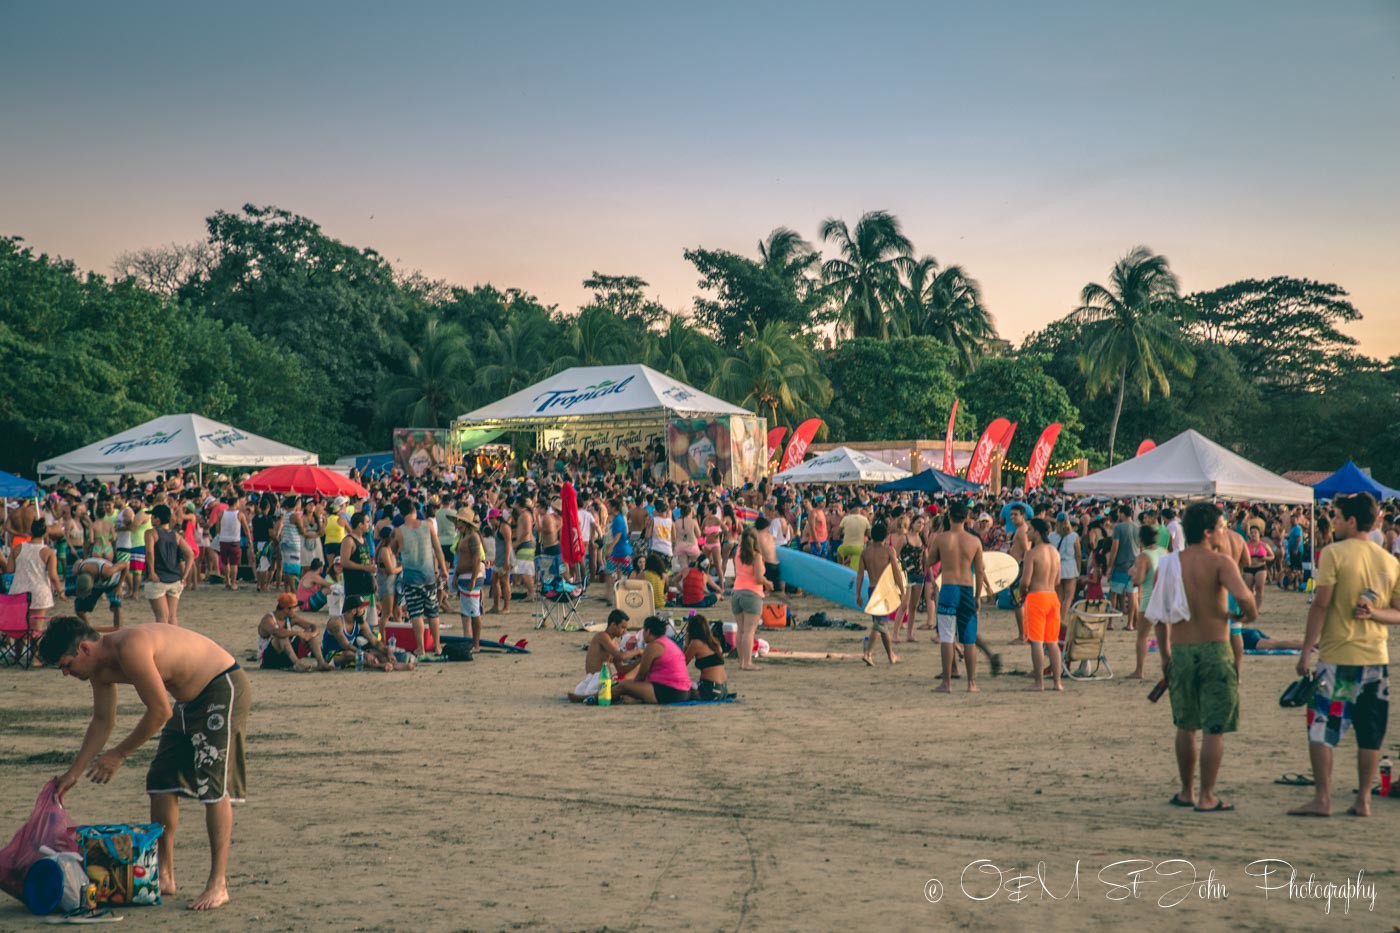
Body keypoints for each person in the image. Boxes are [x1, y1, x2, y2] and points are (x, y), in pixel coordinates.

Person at [40, 617, 251, 910]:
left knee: (211, 786)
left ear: (85, 649)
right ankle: (164, 874)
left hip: (220, 685)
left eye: (66, 664)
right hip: (188, 699)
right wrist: (73, 774)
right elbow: (103, 721)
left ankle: (218, 883)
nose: (65, 673)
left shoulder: (130, 648)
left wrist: (119, 754)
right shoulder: (98, 669)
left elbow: (159, 711)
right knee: (162, 780)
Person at [1290, 492, 1399, 818]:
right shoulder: (1390, 561)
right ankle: (1363, 800)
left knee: (1323, 726)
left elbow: (1321, 604)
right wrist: (1375, 614)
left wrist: (1306, 650)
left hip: (1339, 658)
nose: (1333, 522)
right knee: (1370, 731)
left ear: (1352, 521)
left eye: (1337, 517)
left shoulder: (1334, 554)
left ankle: (1323, 798)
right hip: (1375, 659)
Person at [1153, 502, 1256, 812]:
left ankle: (1186, 791)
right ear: (1208, 531)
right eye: (1222, 527)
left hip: (1182, 649)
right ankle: (1207, 795)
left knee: (1185, 725)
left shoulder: (1170, 563)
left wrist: (1165, 656)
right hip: (1214, 647)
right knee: (1214, 727)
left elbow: (1159, 617)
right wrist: (1243, 616)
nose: (1224, 532)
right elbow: (1245, 598)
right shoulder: (1221, 563)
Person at [928, 501, 989, 694]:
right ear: (967, 518)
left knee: (947, 636)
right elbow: (980, 571)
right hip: (967, 589)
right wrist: (978, 596)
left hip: (948, 587)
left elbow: (929, 562)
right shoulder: (974, 541)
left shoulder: (941, 539)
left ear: (949, 516)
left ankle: (947, 683)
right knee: (969, 639)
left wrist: (931, 579)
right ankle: (971, 683)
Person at [396, 497, 448, 658]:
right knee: (433, 612)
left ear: (401, 513)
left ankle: (421, 648)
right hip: (429, 576)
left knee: (416, 613)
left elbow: (394, 552)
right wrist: (443, 569)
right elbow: (438, 549)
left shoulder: (399, 531)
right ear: (414, 510)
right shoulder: (428, 525)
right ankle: (438, 646)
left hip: (411, 577)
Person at [1017, 518, 1063, 691]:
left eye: (1029, 530)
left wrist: (1022, 594)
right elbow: (1058, 580)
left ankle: (1039, 682)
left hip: (1037, 597)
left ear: (1036, 532)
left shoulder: (1032, 553)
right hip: (1052, 597)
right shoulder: (1054, 552)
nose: (1027, 533)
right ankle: (1057, 682)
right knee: (1052, 641)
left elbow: (1025, 581)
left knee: (1036, 641)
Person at [856, 521, 905, 667]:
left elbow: (859, 575)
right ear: (885, 536)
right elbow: (896, 572)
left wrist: (857, 593)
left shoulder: (865, 552)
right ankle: (868, 653)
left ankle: (891, 655)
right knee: (881, 623)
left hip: (871, 589)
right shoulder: (889, 551)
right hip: (883, 590)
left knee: (881, 625)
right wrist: (902, 590)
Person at [613, 616, 694, 705]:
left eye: (643, 630)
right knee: (629, 688)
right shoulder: (668, 643)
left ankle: (597, 698)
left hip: (671, 691)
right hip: (684, 691)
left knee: (623, 686)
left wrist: (632, 688)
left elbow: (641, 676)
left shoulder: (653, 646)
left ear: (648, 631)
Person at [567, 609, 641, 702]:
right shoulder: (602, 636)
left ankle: (587, 697)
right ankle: (588, 697)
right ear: (613, 625)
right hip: (594, 677)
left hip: (604, 679)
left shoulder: (615, 644)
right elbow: (621, 656)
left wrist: (639, 661)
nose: (624, 631)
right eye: (622, 627)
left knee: (593, 692)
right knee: (582, 690)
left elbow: (621, 670)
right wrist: (638, 651)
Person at [5, 518, 63, 633]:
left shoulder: (17, 548)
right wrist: (60, 591)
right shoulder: (48, 552)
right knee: (36, 628)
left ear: (31, 532)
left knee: (19, 628)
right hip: (39, 592)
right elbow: (53, 576)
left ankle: (19, 652)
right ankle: (34, 651)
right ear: (45, 533)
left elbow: (9, 570)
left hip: (18, 591)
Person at [322, 595, 407, 671]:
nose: (364, 610)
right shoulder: (336, 622)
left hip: (350, 651)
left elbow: (375, 642)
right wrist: (365, 654)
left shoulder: (360, 623)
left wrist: (388, 651)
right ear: (353, 611)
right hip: (331, 655)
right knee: (351, 655)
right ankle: (379, 666)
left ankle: (394, 665)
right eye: (361, 608)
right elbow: (345, 644)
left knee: (378, 653)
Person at [257, 592, 334, 671]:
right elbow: (276, 632)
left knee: (309, 634)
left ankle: (321, 663)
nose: (296, 610)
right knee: (282, 637)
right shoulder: (268, 619)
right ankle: (297, 664)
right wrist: (298, 633)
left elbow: (312, 626)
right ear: (287, 609)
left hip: (285, 657)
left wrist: (312, 634)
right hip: (269, 660)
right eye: (294, 608)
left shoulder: (291, 618)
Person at [730, 528, 772, 672]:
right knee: (749, 631)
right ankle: (748, 663)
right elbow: (759, 578)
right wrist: (768, 583)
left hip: (736, 592)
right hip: (752, 594)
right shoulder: (756, 556)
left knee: (741, 630)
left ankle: (741, 662)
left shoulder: (738, 552)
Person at [143, 504, 192, 626]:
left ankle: (165, 644)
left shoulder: (150, 533)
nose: (151, 519)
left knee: (162, 618)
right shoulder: (175, 535)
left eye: (153, 517)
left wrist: (152, 572)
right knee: (172, 617)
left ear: (157, 519)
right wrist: (185, 575)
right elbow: (190, 554)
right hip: (175, 578)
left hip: (158, 579)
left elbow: (150, 553)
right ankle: (174, 642)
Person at [1128, 523, 1165, 680]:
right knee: (1164, 639)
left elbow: (1139, 580)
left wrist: (1132, 573)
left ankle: (1139, 670)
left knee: (1142, 636)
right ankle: (1168, 670)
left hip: (1149, 599)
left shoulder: (1144, 556)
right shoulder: (1164, 552)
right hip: (1163, 599)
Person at [454, 513, 486, 650]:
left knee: (474, 612)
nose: (456, 523)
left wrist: (473, 579)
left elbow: (476, 559)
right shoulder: (463, 537)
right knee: (466, 611)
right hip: (463, 576)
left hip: (471, 577)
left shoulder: (473, 537)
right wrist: (456, 574)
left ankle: (476, 644)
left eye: (459, 520)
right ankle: (469, 640)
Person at [1107, 504, 1140, 630]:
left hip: (1121, 565)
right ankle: (1130, 623)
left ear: (1122, 514)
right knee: (1132, 595)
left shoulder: (1118, 528)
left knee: (1113, 593)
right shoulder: (1138, 528)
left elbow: (1114, 547)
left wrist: (1110, 566)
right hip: (1134, 565)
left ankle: (1110, 622)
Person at [72, 555, 129, 629]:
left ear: (92, 582)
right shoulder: (76, 570)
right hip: (95, 583)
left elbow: (125, 565)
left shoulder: (107, 571)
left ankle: (118, 630)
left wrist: (119, 586)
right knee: (79, 608)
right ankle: (88, 629)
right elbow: (78, 561)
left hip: (112, 583)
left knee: (116, 606)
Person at [684, 614, 729, 701]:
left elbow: (682, 663)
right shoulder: (715, 643)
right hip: (723, 689)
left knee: (680, 689)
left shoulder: (696, 643)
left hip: (710, 690)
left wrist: (686, 645)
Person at [1048, 512, 1081, 634]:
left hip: (1057, 566)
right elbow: (1078, 554)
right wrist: (1078, 569)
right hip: (1070, 566)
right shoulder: (1074, 536)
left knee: (1059, 596)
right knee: (1069, 596)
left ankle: (1057, 617)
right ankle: (1063, 618)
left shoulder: (1052, 536)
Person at [215, 495, 252, 591]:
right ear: (235, 503)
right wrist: (249, 539)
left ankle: (227, 581)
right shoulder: (240, 514)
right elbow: (246, 528)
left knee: (225, 562)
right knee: (234, 563)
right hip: (235, 540)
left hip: (223, 540)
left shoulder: (221, 514)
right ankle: (234, 582)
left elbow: (217, 528)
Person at [1007, 504, 1030, 644]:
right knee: (1019, 603)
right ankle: (1023, 634)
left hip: (1019, 567)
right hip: (1017, 566)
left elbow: (1027, 550)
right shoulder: (1020, 530)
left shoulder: (1022, 531)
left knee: (1018, 603)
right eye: (1011, 515)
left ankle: (1022, 635)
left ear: (1023, 515)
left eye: (1016, 515)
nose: (1012, 517)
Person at [1243, 525, 1273, 610]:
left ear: (1259, 534)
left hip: (1260, 567)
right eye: (1251, 533)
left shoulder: (1264, 545)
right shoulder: (1246, 545)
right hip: (1249, 568)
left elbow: (1272, 556)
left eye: (1255, 532)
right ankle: (1250, 606)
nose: (1253, 534)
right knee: (1249, 589)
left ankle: (1257, 608)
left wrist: (1265, 558)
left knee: (1259, 588)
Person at [836, 504, 870, 570]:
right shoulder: (865, 519)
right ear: (859, 510)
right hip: (858, 548)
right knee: (855, 569)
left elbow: (838, 532)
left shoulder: (845, 518)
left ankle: (840, 567)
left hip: (846, 546)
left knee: (839, 552)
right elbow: (868, 534)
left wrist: (845, 532)